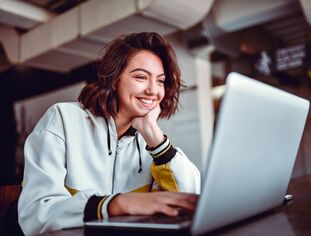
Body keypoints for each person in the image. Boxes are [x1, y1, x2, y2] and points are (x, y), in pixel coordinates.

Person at [18, 32, 201, 235]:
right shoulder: (62, 118)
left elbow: (188, 200)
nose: (153, 90)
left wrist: (155, 138)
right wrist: (116, 204)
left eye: (160, 81)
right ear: (114, 80)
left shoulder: (150, 141)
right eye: (141, 77)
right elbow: (35, 214)